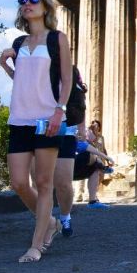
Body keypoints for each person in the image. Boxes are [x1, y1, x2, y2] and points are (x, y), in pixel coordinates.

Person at [0, 0, 73, 263]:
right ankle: (50, 222)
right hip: (19, 119)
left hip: (47, 119)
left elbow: (65, 79)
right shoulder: (19, 43)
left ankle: (36, 245)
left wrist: (59, 111)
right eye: (23, 1)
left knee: (43, 183)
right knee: (18, 182)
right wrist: (6, 66)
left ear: (45, 6)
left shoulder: (57, 39)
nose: (27, 4)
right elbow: (23, 82)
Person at [53, 66, 87, 237]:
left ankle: (65, 217)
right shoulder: (38, 65)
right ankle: (45, 222)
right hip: (38, 129)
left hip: (66, 131)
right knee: (40, 182)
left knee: (64, 183)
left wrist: (82, 127)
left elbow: (80, 100)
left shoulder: (71, 71)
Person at [72, 139, 115, 209]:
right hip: (66, 168)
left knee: (95, 167)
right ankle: (102, 167)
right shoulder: (71, 137)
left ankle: (93, 201)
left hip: (67, 170)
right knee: (90, 154)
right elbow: (90, 149)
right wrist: (107, 158)